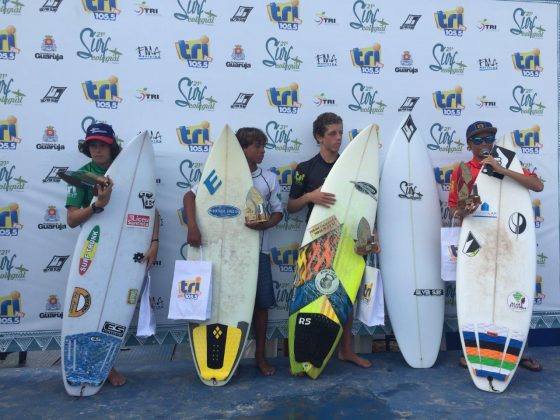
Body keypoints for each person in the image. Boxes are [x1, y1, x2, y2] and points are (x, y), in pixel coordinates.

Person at [65, 122, 160, 386]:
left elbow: (152, 210)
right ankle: (96, 365)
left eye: (102, 145)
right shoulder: (82, 176)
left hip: (129, 250)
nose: (97, 150)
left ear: (111, 146)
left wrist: (154, 242)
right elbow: (72, 219)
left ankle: (105, 363)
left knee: (117, 308)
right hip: (95, 249)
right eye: (92, 145)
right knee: (90, 307)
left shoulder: (131, 171)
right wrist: (97, 206)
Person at [183, 127, 283, 376]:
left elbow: (279, 212)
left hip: (255, 251)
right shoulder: (220, 176)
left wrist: (264, 225)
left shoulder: (268, 179)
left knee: (260, 305)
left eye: (263, 146)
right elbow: (189, 196)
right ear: (242, 149)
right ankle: (227, 355)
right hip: (219, 251)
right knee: (221, 302)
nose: (262, 151)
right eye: (256, 146)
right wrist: (192, 227)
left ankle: (260, 357)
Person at [448, 120, 543, 372]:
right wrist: (465, 211)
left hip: (510, 241)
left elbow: (537, 185)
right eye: (477, 140)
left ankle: (517, 353)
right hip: (477, 243)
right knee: (477, 296)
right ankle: (471, 353)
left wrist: (502, 169)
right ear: (469, 144)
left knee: (512, 297)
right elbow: (454, 209)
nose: (484, 144)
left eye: (488, 138)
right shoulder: (463, 170)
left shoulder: (508, 162)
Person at [287, 112, 374, 369]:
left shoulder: (350, 168)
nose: (339, 138)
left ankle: (345, 351)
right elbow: (291, 206)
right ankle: (309, 350)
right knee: (310, 295)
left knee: (343, 295)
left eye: (340, 132)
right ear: (319, 137)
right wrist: (310, 197)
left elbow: (363, 204)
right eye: (332, 133)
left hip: (347, 241)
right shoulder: (305, 170)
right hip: (316, 242)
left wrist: (371, 233)